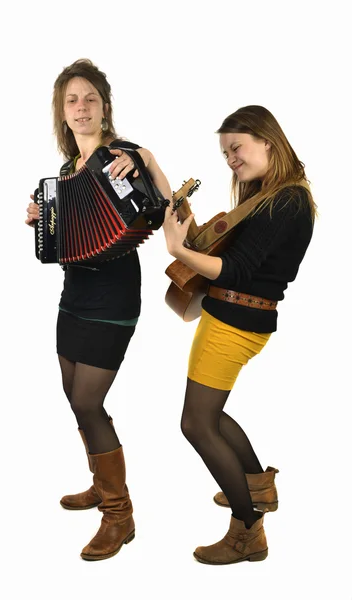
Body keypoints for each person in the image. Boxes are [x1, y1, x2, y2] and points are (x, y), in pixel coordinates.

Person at [25, 58, 171, 561]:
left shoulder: (123, 155)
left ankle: (119, 513)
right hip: (74, 295)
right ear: (62, 114)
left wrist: (148, 162)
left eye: (90, 98)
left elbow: (169, 208)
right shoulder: (66, 173)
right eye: (72, 100)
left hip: (114, 295)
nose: (81, 107)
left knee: (88, 401)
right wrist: (41, 219)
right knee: (73, 394)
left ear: (105, 107)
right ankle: (100, 480)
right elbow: (61, 241)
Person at [162, 105, 317, 565]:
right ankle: (256, 488)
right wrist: (194, 237)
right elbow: (236, 257)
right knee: (209, 415)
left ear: (268, 140)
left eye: (237, 147)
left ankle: (247, 532)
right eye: (225, 152)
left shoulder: (287, 200)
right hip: (228, 317)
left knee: (196, 424)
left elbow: (235, 268)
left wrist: (175, 249)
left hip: (235, 324)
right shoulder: (267, 196)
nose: (231, 158)